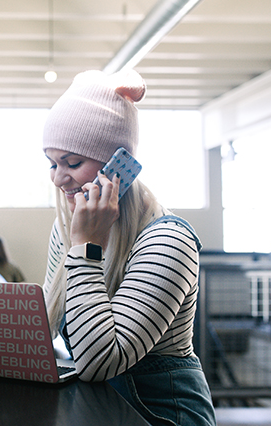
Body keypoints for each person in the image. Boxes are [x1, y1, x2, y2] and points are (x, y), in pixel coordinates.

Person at [41, 69, 216, 426]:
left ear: (118, 165)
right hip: (101, 411)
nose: (60, 178)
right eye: (52, 163)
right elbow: (48, 325)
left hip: (162, 416)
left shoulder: (168, 240)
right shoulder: (66, 230)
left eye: (73, 162)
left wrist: (86, 246)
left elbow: (100, 361)